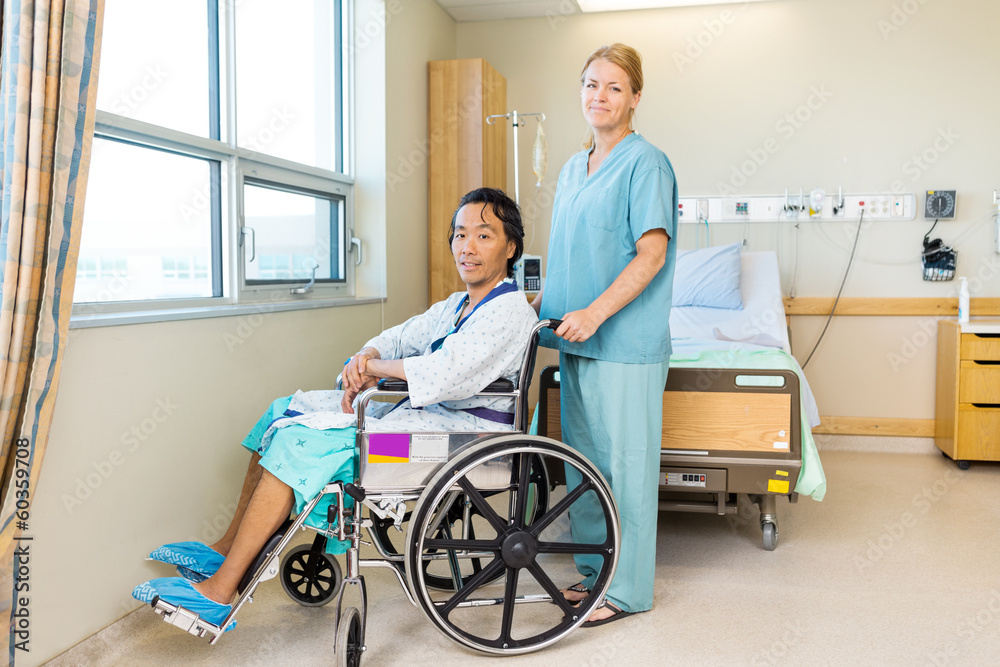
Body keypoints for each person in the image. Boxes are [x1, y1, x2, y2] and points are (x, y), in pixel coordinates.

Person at [133, 188, 538, 627]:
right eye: (460, 235)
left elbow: (446, 370)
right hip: (423, 417)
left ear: (510, 246)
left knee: (299, 440)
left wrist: (375, 369)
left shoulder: (510, 310)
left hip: (458, 442)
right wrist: (367, 355)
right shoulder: (458, 304)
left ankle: (221, 591)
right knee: (283, 410)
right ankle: (228, 548)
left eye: (483, 235)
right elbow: (404, 335)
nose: (468, 247)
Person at [532, 43, 678, 627]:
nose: (600, 96)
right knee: (585, 465)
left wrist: (594, 313)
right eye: (591, 84)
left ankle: (628, 590)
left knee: (627, 467)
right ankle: (596, 576)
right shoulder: (572, 167)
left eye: (614, 87)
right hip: (575, 341)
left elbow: (651, 254)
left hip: (623, 344)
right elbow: (570, 257)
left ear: (635, 99)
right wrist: (531, 306)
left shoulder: (648, 164)